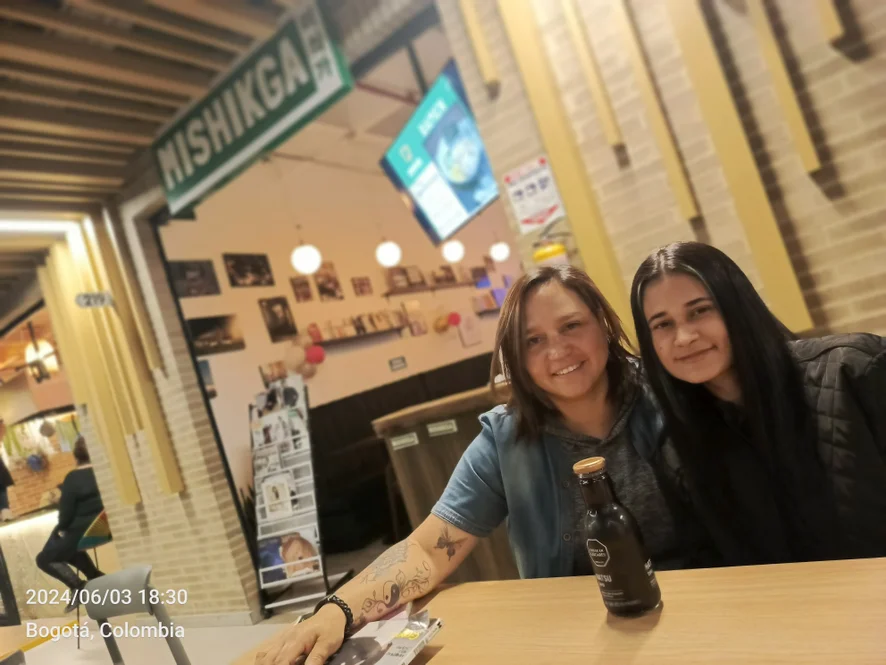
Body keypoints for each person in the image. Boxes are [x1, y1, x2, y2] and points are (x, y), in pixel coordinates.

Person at [257, 265, 702, 665]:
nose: (558, 350)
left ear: (602, 324)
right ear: (516, 357)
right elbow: (428, 549)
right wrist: (336, 610)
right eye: (533, 340)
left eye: (571, 326)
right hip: (582, 634)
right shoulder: (506, 439)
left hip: (700, 603)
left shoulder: (668, 394)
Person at [631, 241, 886, 566]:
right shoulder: (676, 451)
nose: (684, 337)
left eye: (700, 310)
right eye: (662, 324)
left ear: (738, 307)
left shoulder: (855, 371)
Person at [35, 436, 105, 612]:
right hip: (102, 526)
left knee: (43, 558)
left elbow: (66, 513)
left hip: (88, 529)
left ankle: (79, 586)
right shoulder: (104, 471)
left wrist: (63, 528)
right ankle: (95, 577)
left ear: (77, 457)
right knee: (62, 544)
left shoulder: (75, 477)